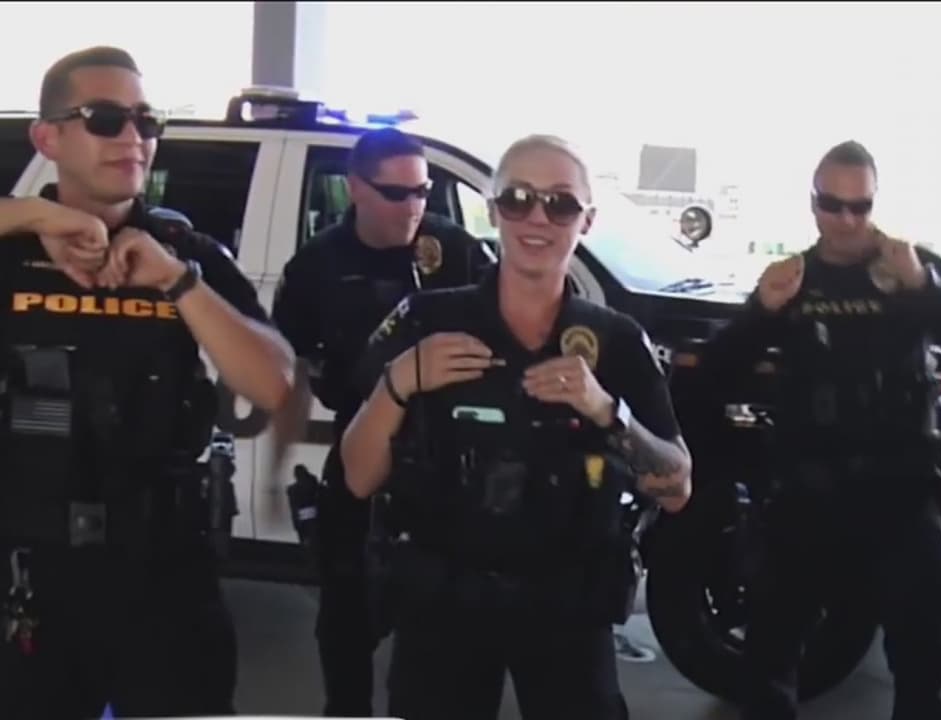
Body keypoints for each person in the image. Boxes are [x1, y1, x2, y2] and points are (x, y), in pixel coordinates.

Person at [340, 134, 693, 719]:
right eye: (518, 198)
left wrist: (609, 412)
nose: (537, 218)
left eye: (561, 203)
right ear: (493, 208)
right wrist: (398, 381)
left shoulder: (615, 340)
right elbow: (357, 477)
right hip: (444, 606)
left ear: (587, 221)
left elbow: (676, 488)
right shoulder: (430, 320)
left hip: (568, 607)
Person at [0, 46, 295, 718]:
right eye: (106, 119)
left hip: (165, 569)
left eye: (146, 120)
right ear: (47, 139)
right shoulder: (12, 250)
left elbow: (275, 386)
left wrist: (177, 282)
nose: (133, 137)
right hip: (31, 569)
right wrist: (37, 217)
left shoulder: (185, 255)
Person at [703, 140, 941, 720]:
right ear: (813, 203)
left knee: (925, 661)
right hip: (805, 495)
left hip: (900, 494)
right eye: (831, 205)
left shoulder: (912, 267)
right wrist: (763, 312)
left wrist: (922, 288)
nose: (845, 220)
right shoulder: (792, 277)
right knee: (768, 664)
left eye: (859, 206)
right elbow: (719, 371)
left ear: (874, 203)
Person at [270, 126, 492, 717]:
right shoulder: (317, 265)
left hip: (448, 459)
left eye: (422, 191)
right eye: (396, 193)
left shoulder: (456, 251)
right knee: (345, 619)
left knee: (447, 633)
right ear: (355, 189)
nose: (413, 206)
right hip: (362, 449)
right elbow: (290, 362)